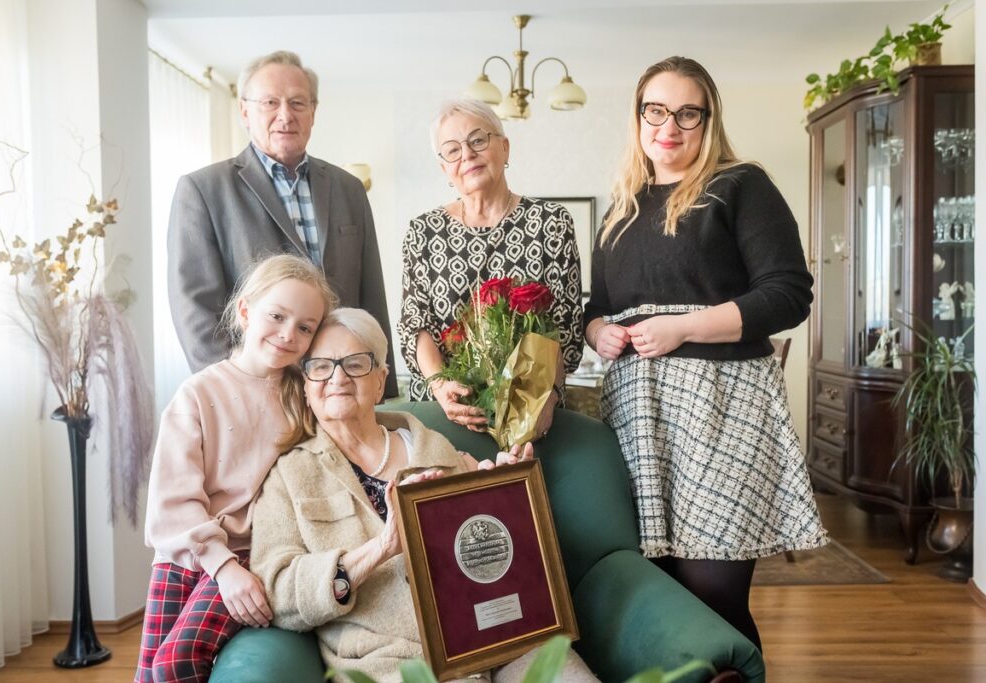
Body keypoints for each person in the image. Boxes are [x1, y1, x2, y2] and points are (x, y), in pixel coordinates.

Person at [583, 56, 827, 650]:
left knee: (712, 596)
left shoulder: (740, 185)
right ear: (638, 118)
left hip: (723, 412)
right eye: (656, 111)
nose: (671, 125)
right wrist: (598, 333)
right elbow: (599, 305)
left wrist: (682, 328)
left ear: (708, 120)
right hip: (638, 418)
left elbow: (788, 295)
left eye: (688, 112)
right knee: (659, 592)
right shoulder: (621, 205)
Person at [250, 308, 596, 682]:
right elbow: (278, 595)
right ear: (305, 383)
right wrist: (382, 547)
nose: (337, 377)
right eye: (320, 366)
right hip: (395, 665)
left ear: (381, 381)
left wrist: (508, 504)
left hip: (500, 643)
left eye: (354, 364)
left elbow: (499, 568)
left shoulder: (438, 450)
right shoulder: (289, 475)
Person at [134, 254, 338, 682]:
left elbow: (362, 428)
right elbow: (171, 504)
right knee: (149, 674)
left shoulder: (307, 397)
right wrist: (219, 565)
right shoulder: (197, 394)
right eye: (277, 316)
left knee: (175, 663)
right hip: (186, 553)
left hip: (251, 554)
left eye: (305, 327)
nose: (288, 334)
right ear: (245, 311)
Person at [167, 49, 398, 396]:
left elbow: (371, 295)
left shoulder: (349, 188)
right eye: (270, 103)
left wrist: (382, 387)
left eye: (298, 103)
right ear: (245, 111)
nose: (285, 115)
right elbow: (194, 308)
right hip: (256, 390)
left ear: (314, 112)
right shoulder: (203, 190)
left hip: (341, 387)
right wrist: (232, 390)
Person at [399, 99, 583, 436]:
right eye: (452, 150)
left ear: (504, 146)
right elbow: (415, 325)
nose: (467, 155)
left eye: (478, 140)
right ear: (444, 169)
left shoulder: (550, 222)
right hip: (444, 414)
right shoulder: (423, 232)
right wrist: (441, 389)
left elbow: (566, 329)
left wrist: (544, 401)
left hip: (532, 411)